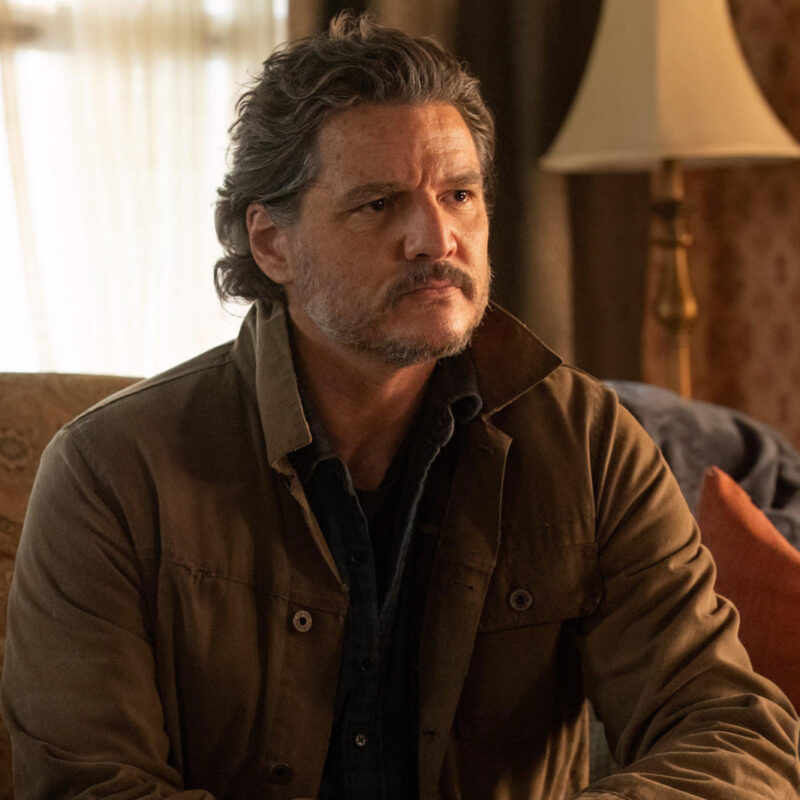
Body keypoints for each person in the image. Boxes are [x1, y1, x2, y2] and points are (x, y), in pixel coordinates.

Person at [2, 12, 799, 800]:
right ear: (272, 244)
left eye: (459, 194)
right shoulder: (111, 471)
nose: (435, 238)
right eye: (379, 204)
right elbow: (85, 784)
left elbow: (734, 732)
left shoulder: (589, 442)